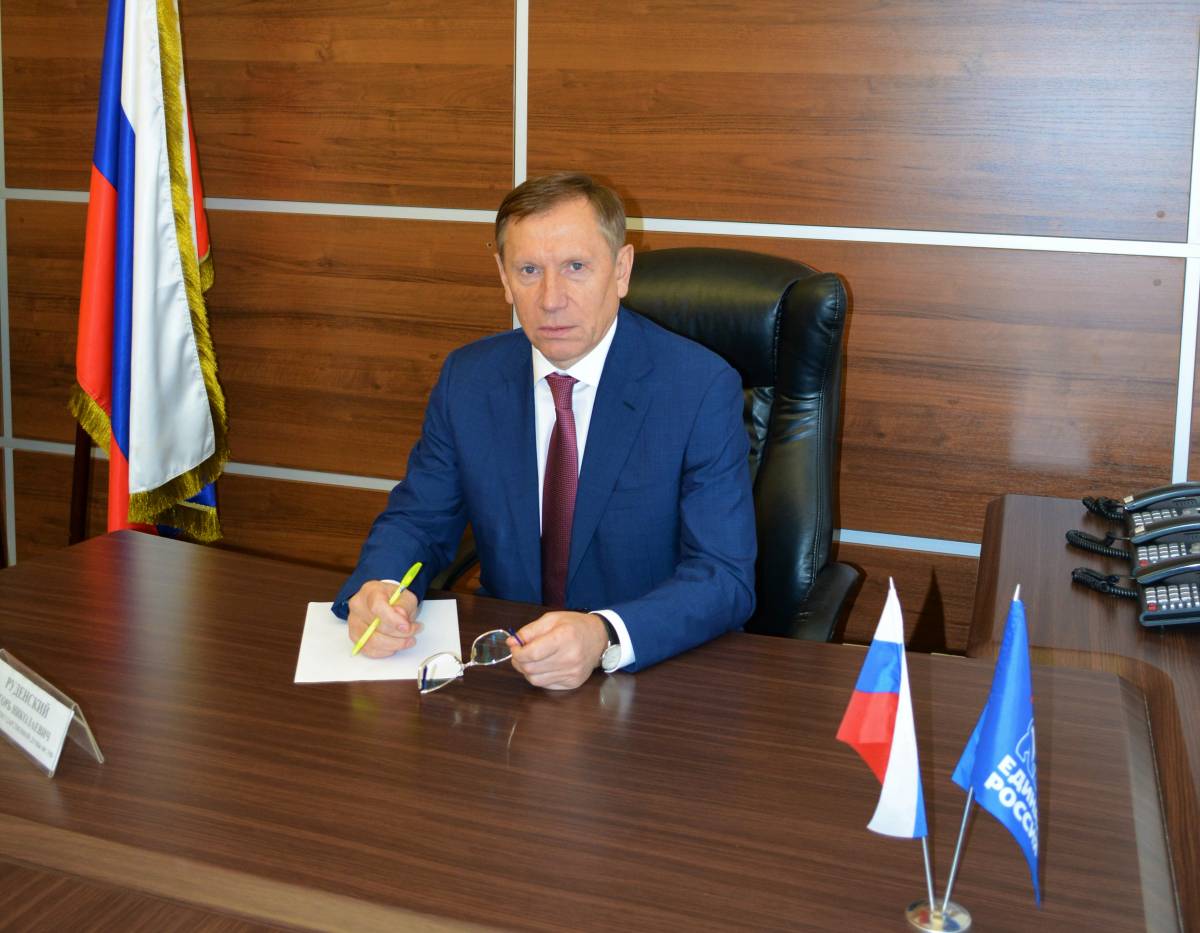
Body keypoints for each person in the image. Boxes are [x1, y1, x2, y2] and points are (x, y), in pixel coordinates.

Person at [332, 172, 756, 689]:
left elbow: (723, 576)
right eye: (529, 270)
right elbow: (420, 519)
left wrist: (604, 633)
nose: (551, 299)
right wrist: (382, 586)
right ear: (503, 276)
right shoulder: (470, 379)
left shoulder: (698, 387)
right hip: (508, 667)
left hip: (649, 676)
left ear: (621, 270)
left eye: (576, 267)